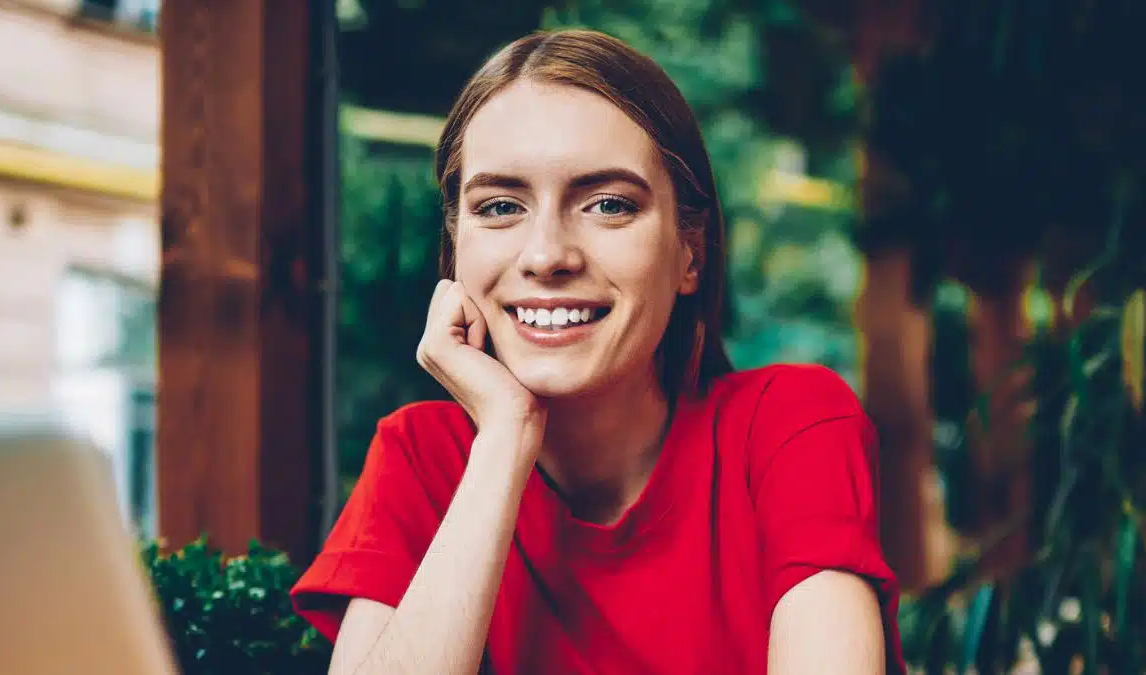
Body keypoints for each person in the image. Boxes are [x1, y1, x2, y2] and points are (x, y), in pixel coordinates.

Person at [291, 28, 906, 675]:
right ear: (456, 246)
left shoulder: (789, 425)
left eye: (608, 204)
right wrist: (505, 437)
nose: (546, 255)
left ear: (690, 252)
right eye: (500, 207)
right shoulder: (421, 458)